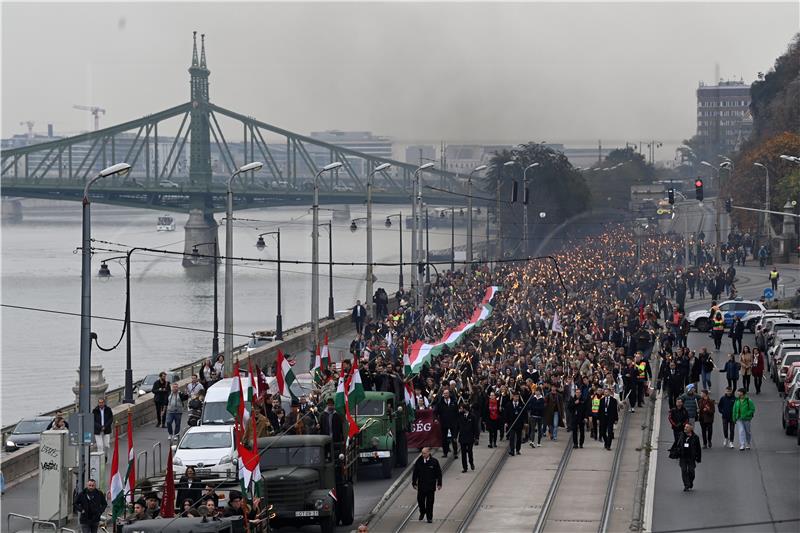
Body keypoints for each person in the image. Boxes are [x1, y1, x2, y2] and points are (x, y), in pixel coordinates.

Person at [412, 447, 442, 524]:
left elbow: (439, 473)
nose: (423, 455)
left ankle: (429, 517)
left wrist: (439, 483)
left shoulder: (434, 462)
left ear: (429, 453)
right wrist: (414, 483)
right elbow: (415, 473)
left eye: (424, 453)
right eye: (422, 453)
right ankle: (422, 512)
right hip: (421, 486)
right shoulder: (419, 461)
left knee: (430, 503)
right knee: (420, 501)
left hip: (430, 486)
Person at [676, 423, 702, 491]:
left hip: (691, 457)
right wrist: (677, 452)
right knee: (684, 470)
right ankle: (686, 485)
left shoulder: (696, 437)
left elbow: (698, 449)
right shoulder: (681, 435)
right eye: (685, 427)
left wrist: (698, 458)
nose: (685, 428)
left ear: (691, 429)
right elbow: (677, 444)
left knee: (691, 472)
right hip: (683, 457)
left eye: (687, 427)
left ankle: (690, 482)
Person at [435, 389, 459, 458]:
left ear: (449, 394)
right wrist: (436, 419)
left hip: (453, 423)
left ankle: (455, 453)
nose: (445, 395)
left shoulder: (454, 402)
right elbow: (436, 412)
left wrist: (457, 422)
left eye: (446, 393)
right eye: (444, 394)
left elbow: (457, 412)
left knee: (454, 438)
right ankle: (445, 452)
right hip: (444, 423)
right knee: (444, 439)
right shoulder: (440, 403)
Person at [457, 402, 478, 472]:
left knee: (469, 451)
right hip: (462, 437)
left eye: (461, 408)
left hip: (470, 437)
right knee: (463, 453)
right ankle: (465, 467)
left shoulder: (472, 416)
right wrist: (455, 436)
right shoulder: (459, 416)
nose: (460, 409)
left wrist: (476, 437)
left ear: (465, 409)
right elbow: (457, 426)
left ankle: (471, 463)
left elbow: (475, 427)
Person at [504, 390, 526, 456]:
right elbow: (506, 414)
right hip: (511, 423)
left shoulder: (521, 405)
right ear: (513, 397)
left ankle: (518, 449)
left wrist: (525, 422)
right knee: (512, 437)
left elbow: (524, 414)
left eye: (517, 397)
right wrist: (506, 422)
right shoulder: (509, 404)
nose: (516, 398)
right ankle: (512, 450)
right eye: (515, 397)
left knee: (519, 438)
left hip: (519, 424)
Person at [598, 386, 619, 451]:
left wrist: (616, 419)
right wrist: (599, 419)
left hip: (610, 418)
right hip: (603, 418)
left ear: (609, 392)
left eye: (606, 392)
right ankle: (606, 442)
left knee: (610, 432)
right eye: (604, 392)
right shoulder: (601, 400)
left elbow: (615, 410)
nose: (605, 393)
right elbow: (600, 410)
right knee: (603, 432)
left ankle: (608, 445)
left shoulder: (614, 401)